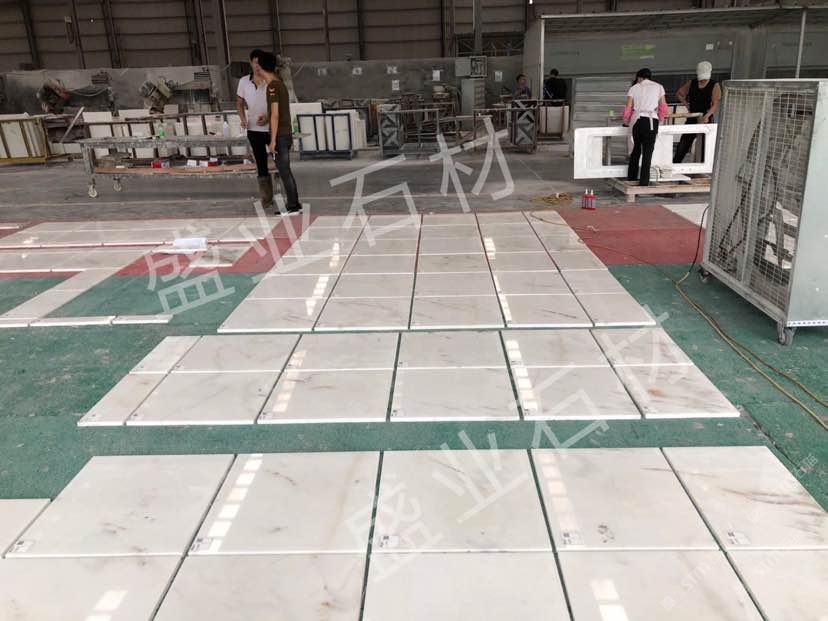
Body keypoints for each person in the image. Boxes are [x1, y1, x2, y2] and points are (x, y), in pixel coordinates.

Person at [259, 51, 302, 215]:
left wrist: (272, 141)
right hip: (285, 133)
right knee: (285, 171)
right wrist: (266, 118)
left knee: (284, 171)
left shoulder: (272, 87)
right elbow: (276, 112)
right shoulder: (280, 84)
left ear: (262, 67)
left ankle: (293, 206)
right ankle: (294, 203)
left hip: (280, 136)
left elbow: (276, 115)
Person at [236, 49, 274, 208]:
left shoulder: (270, 79)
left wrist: (268, 117)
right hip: (254, 130)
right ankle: (267, 198)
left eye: (260, 63)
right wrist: (243, 119)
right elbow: (239, 102)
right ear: (250, 63)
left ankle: (287, 195)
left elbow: (277, 104)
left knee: (280, 162)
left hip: (272, 128)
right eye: (255, 63)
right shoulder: (244, 82)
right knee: (261, 163)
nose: (257, 66)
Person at [623, 68, 668, 187]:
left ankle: (631, 179)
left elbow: (628, 107)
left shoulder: (634, 88)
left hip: (637, 120)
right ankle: (644, 183)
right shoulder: (659, 87)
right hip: (651, 121)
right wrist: (661, 119)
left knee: (635, 150)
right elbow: (663, 107)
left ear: (639, 77)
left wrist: (626, 120)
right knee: (648, 153)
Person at [673, 61, 721, 163]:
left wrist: (707, 115)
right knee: (684, 143)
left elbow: (715, 104)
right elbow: (679, 94)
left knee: (704, 145)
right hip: (692, 116)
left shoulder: (714, 85)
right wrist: (686, 104)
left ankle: (703, 167)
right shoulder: (692, 83)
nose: (702, 81)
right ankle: (676, 163)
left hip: (705, 118)